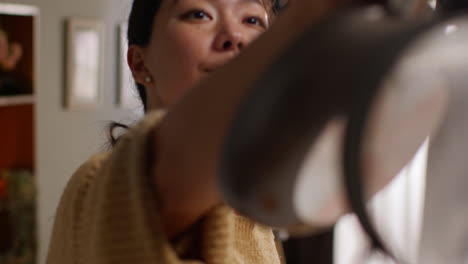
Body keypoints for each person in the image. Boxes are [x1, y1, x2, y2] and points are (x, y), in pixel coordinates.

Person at [46, 0, 388, 263]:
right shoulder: (97, 188)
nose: (235, 37)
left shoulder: (248, 200)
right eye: (199, 14)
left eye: (252, 20)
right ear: (139, 63)